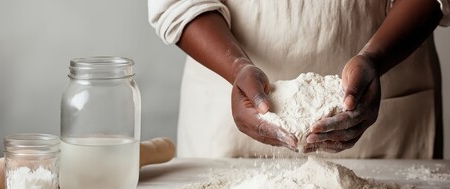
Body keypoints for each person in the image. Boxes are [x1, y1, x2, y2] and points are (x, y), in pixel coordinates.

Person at [149, 0, 449, 159]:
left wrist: (374, 58)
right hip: (228, 111)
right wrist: (236, 67)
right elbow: (178, 2)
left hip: (386, 107)